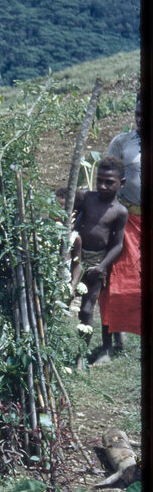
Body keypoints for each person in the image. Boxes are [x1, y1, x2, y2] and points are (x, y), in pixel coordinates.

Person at [73, 155, 129, 365]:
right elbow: (70, 212)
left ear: (121, 183)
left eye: (109, 182)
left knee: (87, 309)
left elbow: (117, 245)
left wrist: (101, 267)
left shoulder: (119, 211)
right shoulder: (87, 198)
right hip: (76, 257)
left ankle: (80, 355)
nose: (103, 186)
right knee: (65, 299)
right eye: (100, 180)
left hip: (96, 263)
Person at [99, 101, 142, 354]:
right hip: (127, 221)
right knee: (115, 281)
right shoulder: (123, 142)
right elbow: (106, 178)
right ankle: (111, 341)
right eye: (138, 113)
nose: (141, 119)